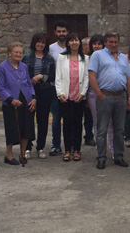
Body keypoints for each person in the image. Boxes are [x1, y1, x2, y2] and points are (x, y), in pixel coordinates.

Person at [89, 32, 130, 169]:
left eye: (115, 42)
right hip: (105, 96)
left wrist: (129, 98)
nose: (113, 44)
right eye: (110, 42)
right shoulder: (97, 55)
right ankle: (101, 157)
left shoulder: (123, 58)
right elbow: (92, 76)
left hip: (121, 96)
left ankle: (119, 156)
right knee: (102, 129)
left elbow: (129, 78)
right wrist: (99, 94)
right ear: (106, 42)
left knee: (119, 129)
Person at [0, 42, 36, 166]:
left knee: (25, 128)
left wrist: (34, 98)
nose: (18, 54)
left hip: (26, 99)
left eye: (20, 52)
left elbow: (29, 83)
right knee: (11, 128)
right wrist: (10, 100)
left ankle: (22, 153)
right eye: (16, 52)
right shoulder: (3, 67)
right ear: (10, 53)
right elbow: (0, 87)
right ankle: (9, 155)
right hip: (11, 102)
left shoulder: (24, 66)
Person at [55, 33, 89, 162]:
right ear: (68, 43)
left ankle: (77, 150)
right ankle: (67, 150)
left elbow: (86, 77)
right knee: (67, 124)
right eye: (72, 40)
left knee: (78, 124)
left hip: (79, 96)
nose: (74, 43)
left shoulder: (85, 58)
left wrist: (83, 93)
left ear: (80, 43)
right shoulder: (62, 58)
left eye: (76, 40)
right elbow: (58, 77)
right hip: (66, 95)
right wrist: (60, 93)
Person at [23, 33, 56, 159]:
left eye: (43, 43)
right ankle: (27, 147)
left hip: (45, 91)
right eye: (38, 42)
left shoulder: (49, 59)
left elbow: (53, 76)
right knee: (28, 119)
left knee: (43, 120)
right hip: (29, 91)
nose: (40, 44)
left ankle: (40, 147)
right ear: (34, 42)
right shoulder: (26, 57)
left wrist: (42, 76)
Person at [48, 20, 69, 156]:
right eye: (59, 31)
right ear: (55, 32)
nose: (61, 34)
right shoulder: (50, 48)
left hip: (70, 88)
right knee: (56, 119)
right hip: (55, 88)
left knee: (69, 119)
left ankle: (71, 145)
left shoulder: (72, 47)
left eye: (64, 31)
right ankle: (56, 145)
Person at [84, 35, 106, 149]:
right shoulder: (87, 59)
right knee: (96, 120)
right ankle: (100, 146)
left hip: (106, 92)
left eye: (99, 44)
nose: (97, 46)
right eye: (94, 44)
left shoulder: (107, 58)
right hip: (92, 93)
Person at [81, 37, 96, 146]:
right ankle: (88, 136)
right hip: (87, 91)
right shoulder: (86, 59)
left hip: (97, 91)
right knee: (88, 116)